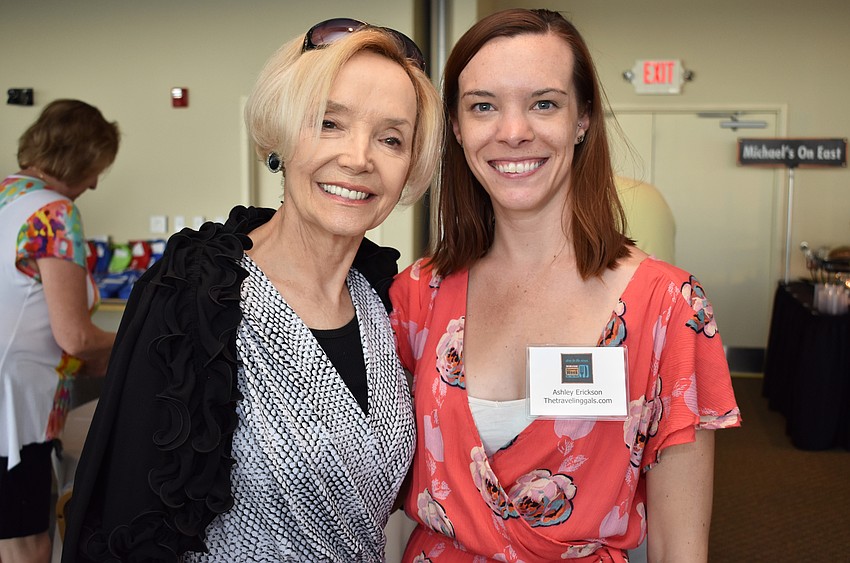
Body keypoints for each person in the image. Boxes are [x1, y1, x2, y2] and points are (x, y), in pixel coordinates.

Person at [61, 18, 442, 562]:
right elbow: (129, 516)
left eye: (390, 138)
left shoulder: (386, 300)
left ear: (409, 167)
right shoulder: (198, 296)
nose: (359, 158)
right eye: (329, 123)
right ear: (282, 137)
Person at [390, 9, 741, 562]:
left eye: (543, 104)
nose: (513, 131)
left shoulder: (669, 309)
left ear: (582, 120)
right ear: (456, 127)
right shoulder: (416, 296)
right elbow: (386, 502)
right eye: (483, 106)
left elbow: (680, 544)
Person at [0, 99, 119, 563]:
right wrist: (137, 339)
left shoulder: (8, 197)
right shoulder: (52, 213)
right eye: (95, 170)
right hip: (17, 412)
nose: (92, 183)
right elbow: (77, 338)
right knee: (26, 543)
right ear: (80, 157)